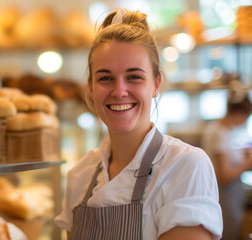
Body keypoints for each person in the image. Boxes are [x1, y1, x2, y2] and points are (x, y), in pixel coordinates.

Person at [55, 8, 223, 240]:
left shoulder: (184, 167)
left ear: (155, 84)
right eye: (105, 78)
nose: (119, 91)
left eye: (134, 77)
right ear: (91, 88)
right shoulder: (79, 175)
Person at [201, 80, 252, 240]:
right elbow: (224, 176)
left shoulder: (220, 130)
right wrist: (246, 162)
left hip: (229, 196)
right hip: (225, 197)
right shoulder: (219, 134)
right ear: (240, 114)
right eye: (247, 117)